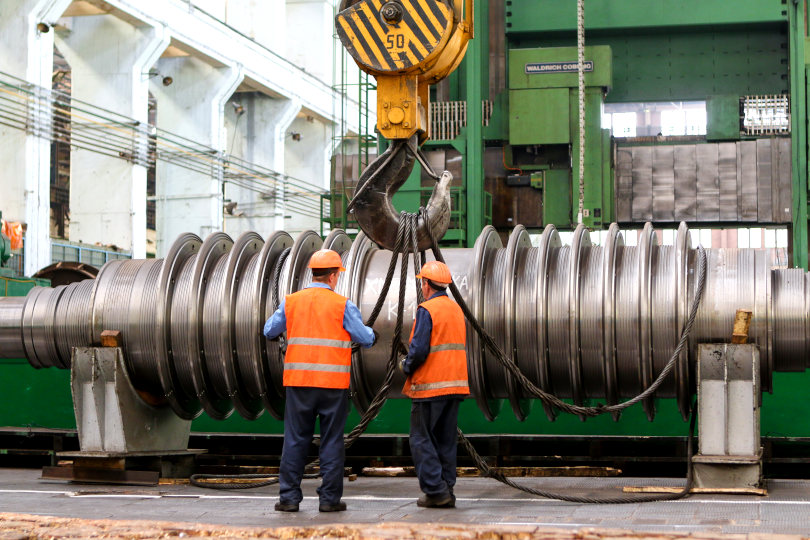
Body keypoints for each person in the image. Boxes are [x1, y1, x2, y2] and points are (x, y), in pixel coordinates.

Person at [264, 249, 375, 513]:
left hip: (299, 384)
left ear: (312, 273)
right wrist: (372, 333)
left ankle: (289, 499)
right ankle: (329, 500)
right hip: (332, 386)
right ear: (334, 276)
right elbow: (365, 338)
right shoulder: (342, 304)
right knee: (332, 441)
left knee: (295, 440)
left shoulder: (291, 302)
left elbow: (269, 330)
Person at [400, 260, 469, 508]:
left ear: (426, 284)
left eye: (422, 282)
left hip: (431, 387)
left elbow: (418, 350)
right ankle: (447, 489)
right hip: (456, 386)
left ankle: (435, 491)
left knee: (421, 438)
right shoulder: (456, 310)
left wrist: (405, 366)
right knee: (445, 440)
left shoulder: (427, 310)